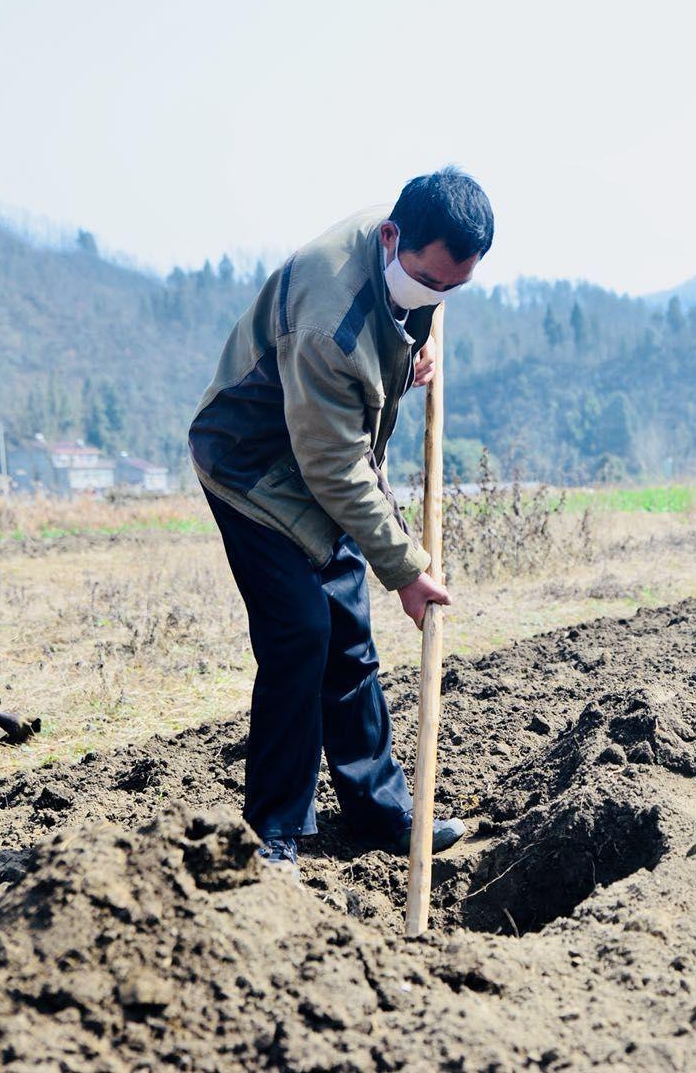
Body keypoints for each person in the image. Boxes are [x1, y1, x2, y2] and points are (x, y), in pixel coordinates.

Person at [188, 167, 493, 875]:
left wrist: (419, 341)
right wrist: (406, 570)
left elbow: (404, 318)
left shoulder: (406, 259)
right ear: (392, 238)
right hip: (251, 465)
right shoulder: (330, 318)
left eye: (455, 288)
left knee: (348, 640)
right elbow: (334, 469)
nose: (438, 297)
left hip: (321, 456)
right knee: (302, 632)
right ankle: (274, 832)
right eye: (430, 282)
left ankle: (381, 813)